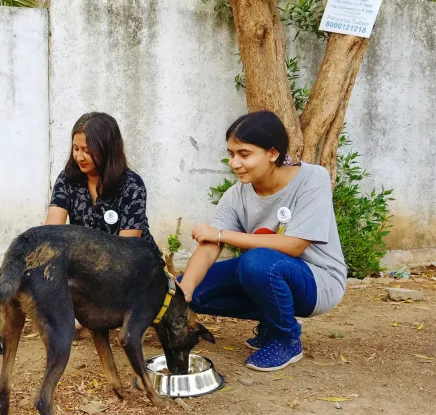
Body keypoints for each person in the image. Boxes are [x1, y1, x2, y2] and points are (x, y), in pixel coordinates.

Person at [179, 110, 347, 372]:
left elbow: (295, 246)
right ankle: (272, 320)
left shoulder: (312, 179)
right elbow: (210, 247)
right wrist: (184, 291)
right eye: (231, 154)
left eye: (244, 154)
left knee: (256, 261)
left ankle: (286, 339)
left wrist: (221, 234)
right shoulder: (237, 195)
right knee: (193, 287)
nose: (234, 163)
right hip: (268, 272)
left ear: (272, 153)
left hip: (318, 280)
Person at [46, 112, 162, 335]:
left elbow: (128, 249)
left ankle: (105, 316)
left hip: (132, 268)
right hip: (89, 267)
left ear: (108, 149)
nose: (80, 157)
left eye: (88, 151)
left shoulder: (131, 184)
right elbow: (52, 231)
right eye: (76, 148)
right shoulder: (68, 180)